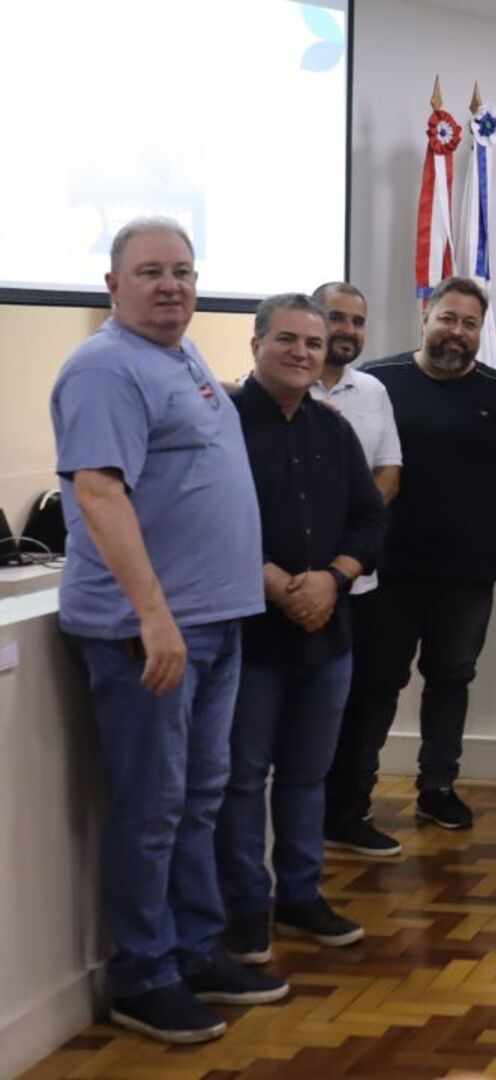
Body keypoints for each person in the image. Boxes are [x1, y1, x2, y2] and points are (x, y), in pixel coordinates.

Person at [50, 217, 286, 1043]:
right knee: (152, 808)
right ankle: (142, 975)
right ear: (112, 285)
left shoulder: (180, 356)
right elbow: (100, 495)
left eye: (183, 271)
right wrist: (155, 616)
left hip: (215, 623)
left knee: (199, 801)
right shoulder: (105, 367)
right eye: (150, 272)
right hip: (146, 633)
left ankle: (192, 948)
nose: (172, 285)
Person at [344, 277, 496, 832]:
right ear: (425, 316)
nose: (457, 332)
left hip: (467, 570)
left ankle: (437, 788)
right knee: (377, 681)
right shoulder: (376, 384)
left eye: (469, 324)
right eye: (448, 318)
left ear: (480, 332)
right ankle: (352, 795)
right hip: (385, 567)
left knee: (452, 679)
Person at [216, 294, 385, 966]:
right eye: (287, 340)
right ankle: (245, 910)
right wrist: (278, 585)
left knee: (307, 777)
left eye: (313, 345)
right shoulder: (220, 423)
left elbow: (370, 521)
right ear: (256, 344)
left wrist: (331, 581)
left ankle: (302, 896)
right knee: (240, 779)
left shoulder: (333, 429)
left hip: (327, 634)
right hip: (251, 634)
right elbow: (209, 520)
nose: (302, 354)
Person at [312, 281, 408, 860]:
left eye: (356, 321)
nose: (346, 330)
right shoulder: (269, 389)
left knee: (365, 699)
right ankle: (296, 819)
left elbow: (389, 473)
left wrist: (345, 552)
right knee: (300, 708)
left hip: (359, 582)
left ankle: (348, 812)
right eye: (335, 318)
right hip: (290, 587)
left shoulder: (372, 390)